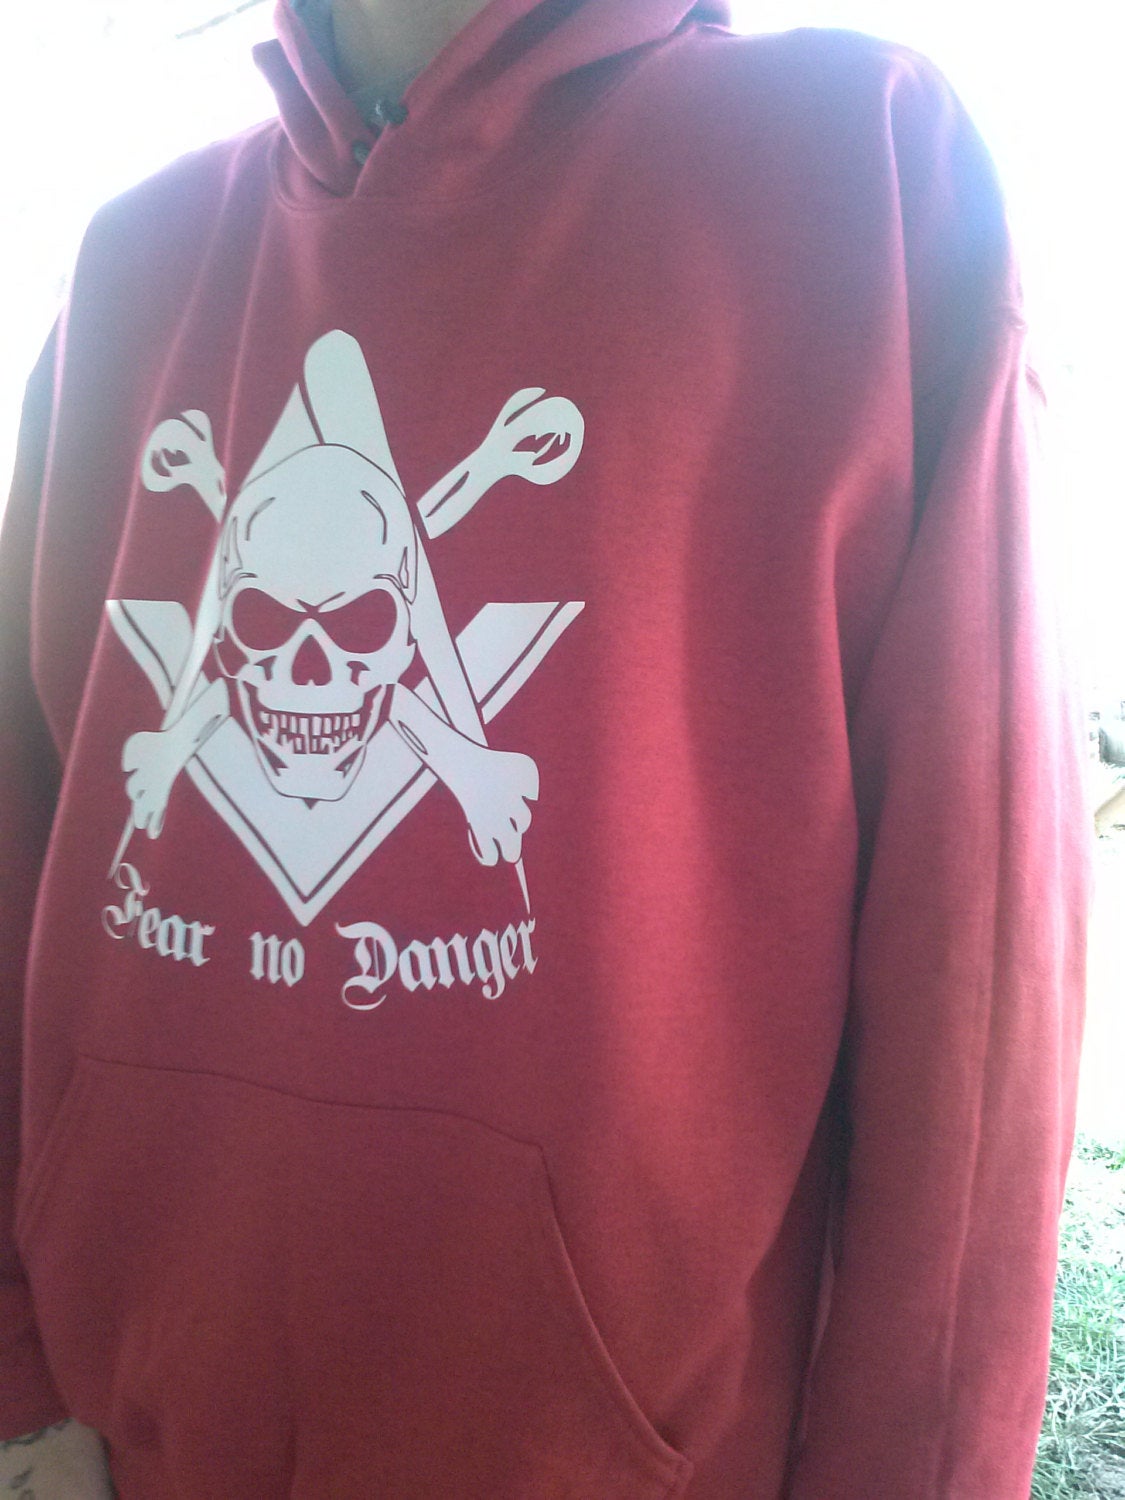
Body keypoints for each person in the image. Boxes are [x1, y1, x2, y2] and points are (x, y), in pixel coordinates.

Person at [0, 0, 1089, 1495]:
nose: (313, 665)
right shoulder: (133, 255)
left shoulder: (859, 171)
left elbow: (977, 944)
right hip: (122, 1452)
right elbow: (15, 839)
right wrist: (19, 1380)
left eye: (355, 629)